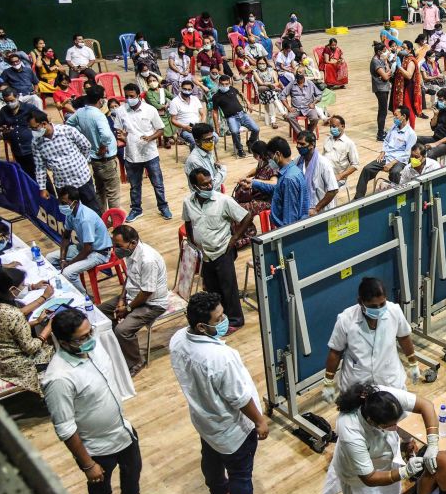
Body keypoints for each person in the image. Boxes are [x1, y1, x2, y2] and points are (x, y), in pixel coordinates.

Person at [41, 307, 163, 494]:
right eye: (82, 337)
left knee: (133, 471)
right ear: (63, 342)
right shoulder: (59, 379)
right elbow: (65, 429)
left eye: (90, 332)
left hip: (122, 430)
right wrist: (88, 464)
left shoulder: (93, 347)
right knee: (100, 490)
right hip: (96, 446)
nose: (90, 340)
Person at [170, 291, 282, 494]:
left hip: (204, 420)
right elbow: (239, 398)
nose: (225, 321)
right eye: (218, 319)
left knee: (210, 457)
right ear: (201, 326)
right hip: (232, 428)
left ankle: (218, 492)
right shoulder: (221, 358)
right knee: (240, 474)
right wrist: (260, 421)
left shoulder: (178, 339)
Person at [321, 276, 421, 401]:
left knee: (390, 416)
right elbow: (335, 352)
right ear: (360, 302)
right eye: (373, 306)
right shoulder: (346, 320)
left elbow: (404, 337)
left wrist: (413, 362)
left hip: (389, 380)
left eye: (382, 304)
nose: (379, 309)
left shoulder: (394, 311)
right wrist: (328, 382)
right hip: (356, 384)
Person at [89, 225, 166, 376]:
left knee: (122, 330)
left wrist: (128, 309)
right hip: (133, 295)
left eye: (118, 246)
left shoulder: (148, 260)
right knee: (100, 312)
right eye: (114, 245)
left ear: (132, 243)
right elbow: (129, 278)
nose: (115, 249)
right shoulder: (130, 253)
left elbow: (147, 292)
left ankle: (136, 361)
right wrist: (121, 300)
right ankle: (118, 347)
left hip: (152, 303)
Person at [184, 169, 253, 330]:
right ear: (194, 186)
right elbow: (188, 221)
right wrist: (192, 242)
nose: (209, 186)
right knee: (212, 289)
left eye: (210, 182)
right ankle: (219, 319)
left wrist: (234, 239)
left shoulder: (223, 201)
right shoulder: (188, 202)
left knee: (228, 288)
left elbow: (246, 216)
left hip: (222, 251)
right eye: (204, 184)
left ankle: (236, 321)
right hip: (204, 254)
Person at [0, 267, 55, 393]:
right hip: (15, 364)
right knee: (57, 352)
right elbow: (31, 347)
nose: (23, 287)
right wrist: (48, 328)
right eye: (22, 285)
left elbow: (9, 329)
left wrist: (37, 322)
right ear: (12, 289)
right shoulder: (13, 314)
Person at [115, 84, 171, 222]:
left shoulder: (150, 110)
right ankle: (136, 209)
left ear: (138, 95)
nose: (129, 99)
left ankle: (163, 207)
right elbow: (118, 130)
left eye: (132, 96)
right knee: (134, 185)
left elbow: (160, 130)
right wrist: (122, 136)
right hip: (131, 155)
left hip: (150, 154)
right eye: (126, 96)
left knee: (157, 183)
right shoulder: (120, 111)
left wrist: (150, 138)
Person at [27, 109, 100, 214]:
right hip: (62, 185)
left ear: (44, 124)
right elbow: (40, 167)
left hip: (82, 179)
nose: (33, 131)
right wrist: (42, 188)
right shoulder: (36, 143)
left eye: (34, 128)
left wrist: (80, 162)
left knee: (92, 208)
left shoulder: (67, 130)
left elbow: (86, 146)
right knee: (70, 213)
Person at [44, 186, 112, 292]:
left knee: (68, 272)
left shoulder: (86, 219)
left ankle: (86, 298)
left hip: (99, 253)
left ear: (74, 202)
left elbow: (87, 250)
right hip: (83, 247)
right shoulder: (70, 213)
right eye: (60, 203)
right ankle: (61, 288)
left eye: (64, 203)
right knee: (49, 258)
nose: (61, 206)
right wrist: (62, 259)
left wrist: (68, 264)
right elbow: (66, 236)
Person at [66, 86, 121, 213]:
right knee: (112, 192)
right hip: (105, 159)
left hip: (93, 158)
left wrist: (84, 137)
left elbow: (69, 124)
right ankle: (115, 219)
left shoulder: (80, 112)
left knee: (100, 190)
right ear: (100, 99)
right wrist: (103, 145)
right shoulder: (98, 115)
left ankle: (102, 217)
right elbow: (106, 135)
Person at [240, 136, 309, 229]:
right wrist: (253, 183)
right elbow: (276, 187)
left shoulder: (288, 179)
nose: (270, 161)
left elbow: (290, 217)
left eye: (270, 157)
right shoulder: (294, 171)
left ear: (278, 154)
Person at [354, 106, 417, 198]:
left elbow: (407, 154)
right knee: (367, 169)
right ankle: (358, 197)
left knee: (395, 172)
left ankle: (395, 196)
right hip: (387, 156)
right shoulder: (393, 127)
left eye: (396, 116)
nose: (394, 118)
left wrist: (391, 163)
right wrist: (382, 152)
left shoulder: (411, 134)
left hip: (399, 160)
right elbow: (386, 141)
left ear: (403, 116)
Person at [210, 74, 258, 159]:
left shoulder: (232, 89)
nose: (224, 86)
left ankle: (250, 143)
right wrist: (216, 126)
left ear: (229, 83)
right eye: (222, 84)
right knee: (235, 132)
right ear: (219, 84)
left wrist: (248, 103)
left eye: (226, 84)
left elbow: (241, 93)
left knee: (256, 129)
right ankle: (240, 149)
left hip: (242, 114)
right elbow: (215, 112)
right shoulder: (216, 96)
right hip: (231, 117)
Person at [0, 88, 37, 177]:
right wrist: (3, 132)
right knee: (25, 175)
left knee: (39, 173)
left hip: (33, 148)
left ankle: (49, 191)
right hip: (17, 150)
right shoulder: (4, 111)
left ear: (17, 97)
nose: (9, 104)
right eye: (7, 102)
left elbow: (44, 121)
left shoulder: (29, 108)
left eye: (12, 101)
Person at [417, 88, 446, 160]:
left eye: (441, 100)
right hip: (436, 138)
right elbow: (433, 127)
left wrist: (435, 144)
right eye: (438, 99)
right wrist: (435, 115)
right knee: (416, 139)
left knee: (430, 153)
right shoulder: (440, 108)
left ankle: (432, 169)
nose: (438, 102)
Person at [281, 70, 322, 136]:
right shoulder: (292, 83)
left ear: (304, 75)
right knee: (289, 117)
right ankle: (301, 134)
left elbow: (319, 95)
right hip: (296, 109)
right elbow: (282, 95)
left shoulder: (310, 83)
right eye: (297, 74)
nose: (299, 77)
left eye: (301, 74)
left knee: (315, 118)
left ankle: (309, 132)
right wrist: (288, 107)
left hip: (308, 108)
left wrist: (313, 103)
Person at [169, 79, 206, 150]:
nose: (187, 91)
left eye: (189, 89)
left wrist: (202, 124)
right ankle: (194, 159)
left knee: (213, 137)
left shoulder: (195, 99)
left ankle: (206, 157)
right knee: (194, 141)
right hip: (184, 129)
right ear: (180, 88)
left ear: (192, 90)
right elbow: (173, 120)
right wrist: (184, 127)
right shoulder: (175, 102)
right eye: (185, 89)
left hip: (197, 127)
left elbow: (203, 114)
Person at [323, 115, 360, 183]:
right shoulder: (327, 139)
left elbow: (355, 165)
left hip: (337, 179)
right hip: (323, 175)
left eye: (334, 126)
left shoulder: (349, 143)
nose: (331, 129)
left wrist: (340, 176)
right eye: (330, 126)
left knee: (324, 192)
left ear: (342, 126)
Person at [252, 57, 284, 130]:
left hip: (271, 92)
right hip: (262, 92)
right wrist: (270, 85)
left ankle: (273, 121)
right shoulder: (255, 71)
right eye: (259, 63)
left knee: (271, 96)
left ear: (266, 63)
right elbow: (260, 83)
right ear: (257, 64)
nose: (261, 65)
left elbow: (276, 82)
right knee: (272, 93)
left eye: (263, 63)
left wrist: (271, 85)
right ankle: (283, 113)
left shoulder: (271, 70)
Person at [370, 42, 393, 141]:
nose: (386, 52)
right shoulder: (375, 61)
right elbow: (385, 76)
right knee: (382, 111)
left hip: (385, 87)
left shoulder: (381, 59)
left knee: (383, 110)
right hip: (380, 88)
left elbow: (388, 71)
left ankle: (382, 131)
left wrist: (387, 70)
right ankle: (380, 134)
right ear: (378, 51)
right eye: (384, 51)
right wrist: (388, 73)